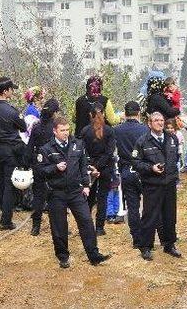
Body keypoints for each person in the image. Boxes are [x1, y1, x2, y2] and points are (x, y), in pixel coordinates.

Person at [38, 116, 110, 268]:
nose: (65, 133)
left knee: (86, 221)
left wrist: (86, 185)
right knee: (59, 226)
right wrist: (55, 168)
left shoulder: (78, 144)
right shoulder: (46, 149)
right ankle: (63, 256)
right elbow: (40, 171)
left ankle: (94, 255)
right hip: (56, 192)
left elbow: (83, 165)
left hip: (76, 191)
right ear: (54, 131)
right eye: (62, 130)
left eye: (67, 130)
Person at [132, 112, 182, 261]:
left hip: (169, 183)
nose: (160, 123)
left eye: (161, 120)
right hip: (152, 184)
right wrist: (151, 168)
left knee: (169, 215)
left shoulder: (171, 138)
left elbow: (175, 159)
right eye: (156, 120)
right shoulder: (142, 141)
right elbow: (135, 162)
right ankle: (146, 246)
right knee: (150, 216)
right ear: (149, 123)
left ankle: (169, 244)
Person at [0, 76, 27, 230]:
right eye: (11, 89)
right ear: (6, 91)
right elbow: (24, 127)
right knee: (9, 185)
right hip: (9, 151)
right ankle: (6, 221)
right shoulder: (11, 111)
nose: (12, 92)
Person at [114, 101, 149, 248]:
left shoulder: (117, 130)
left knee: (132, 206)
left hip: (126, 169)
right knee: (149, 204)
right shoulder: (145, 129)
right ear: (138, 113)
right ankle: (147, 236)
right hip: (143, 170)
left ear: (125, 113)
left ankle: (136, 238)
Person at [27, 98, 61, 236]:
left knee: (38, 196)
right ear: (54, 113)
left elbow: (29, 148)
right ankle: (58, 226)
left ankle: (36, 226)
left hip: (39, 165)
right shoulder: (56, 128)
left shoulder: (36, 127)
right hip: (54, 164)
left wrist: (29, 163)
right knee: (57, 196)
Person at [81, 102, 117, 236]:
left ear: (90, 114)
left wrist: (92, 166)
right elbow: (110, 152)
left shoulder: (85, 131)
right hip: (105, 167)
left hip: (91, 167)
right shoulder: (109, 130)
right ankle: (100, 228)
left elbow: (82, 151)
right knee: (102, 197)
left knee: (89, 197)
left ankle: (87, 226)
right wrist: (99, 165)